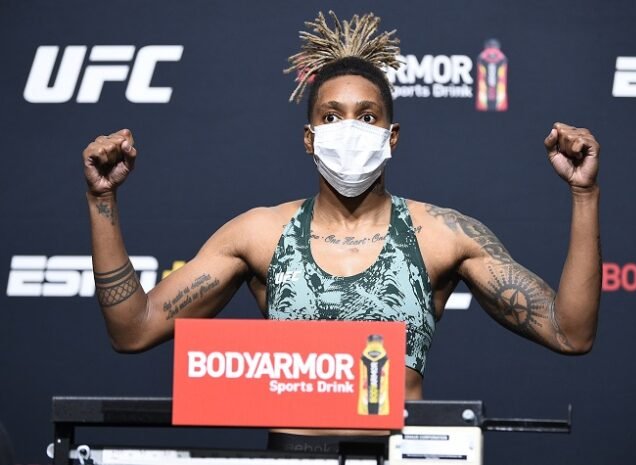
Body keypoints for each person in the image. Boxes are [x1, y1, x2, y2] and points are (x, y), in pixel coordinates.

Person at [82, 11, 601, 451]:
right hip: (290, 458)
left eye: (366, 116)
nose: (349, 129)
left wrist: (584, 194)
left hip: (398, 454)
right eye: (331, 117)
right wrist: (102, 199)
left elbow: (570, 331)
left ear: (391, 137)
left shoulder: (442, 234)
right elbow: (133, 329)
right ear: (309, 139)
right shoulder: (259, 234)